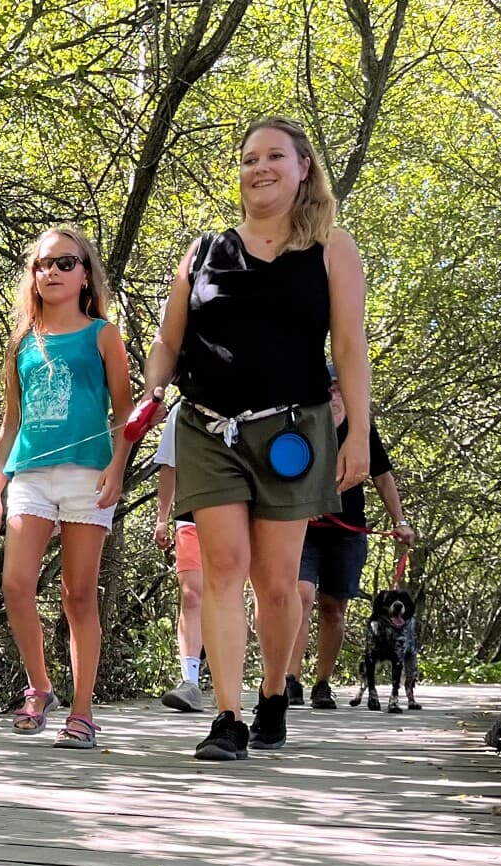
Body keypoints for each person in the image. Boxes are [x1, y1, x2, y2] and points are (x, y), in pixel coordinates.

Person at [139, 115, 372, 760]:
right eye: (249, 159)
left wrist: (358, 436)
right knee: (223, 569)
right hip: (207, 427)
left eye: (275, 157)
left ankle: (273, 695)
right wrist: (151, 389)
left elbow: (350, 350)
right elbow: (167, 340)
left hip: (291, 433)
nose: (259, 168)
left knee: (275, 581)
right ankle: (228, 717)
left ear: (303, 170)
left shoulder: (330, 247)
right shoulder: (204, 250)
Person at [0, 225, 135, 750]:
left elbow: (125, 413)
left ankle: (84, 712)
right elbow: (10, 420)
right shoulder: (24, 341)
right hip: (28, 475)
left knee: (77, 595)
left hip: (86, 476)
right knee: (16, 585)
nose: (51, 272)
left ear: (85, 274)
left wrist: (117, 467)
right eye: (43, 264)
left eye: (64, 263)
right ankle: (40, 686)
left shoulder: (102, 334)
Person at [282, 369, 414, 707]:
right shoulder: (299, 425)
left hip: (347, 532)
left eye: (342, 390)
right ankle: (289, 679)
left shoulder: (362, 431)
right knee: (301, 595)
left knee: (333, 608)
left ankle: (321, 683)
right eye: (329, 390)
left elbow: (382, 477)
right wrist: (299, 501)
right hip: (303, 530)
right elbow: (278, 471)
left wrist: (400, 521)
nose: (335, 397)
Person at [150, 402, 206, 711]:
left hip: (239, 514)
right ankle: (190, 682)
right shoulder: (180, 411)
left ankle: (236, 683)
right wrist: (162, 517)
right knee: (192, 595)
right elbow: (169, 466)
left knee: (225, 595)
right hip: (191, 514)